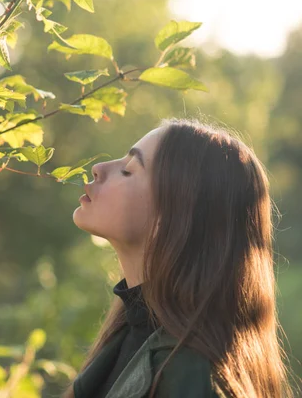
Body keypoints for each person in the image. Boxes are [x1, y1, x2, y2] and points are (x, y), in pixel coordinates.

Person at [66, 118, 298, 398]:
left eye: (128, 170)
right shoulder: (129, 334)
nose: (99, 168)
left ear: (174, 215)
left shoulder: (194, 377)